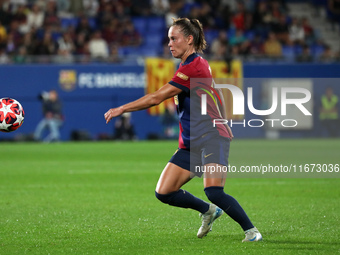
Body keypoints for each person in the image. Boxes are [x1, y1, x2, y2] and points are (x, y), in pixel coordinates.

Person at [104, 18, 262, 242]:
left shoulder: (194, 66)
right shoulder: (189, 65)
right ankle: (208, 211)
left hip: (211, 137)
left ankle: (252, 231)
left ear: (189, 39)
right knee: (164, 191)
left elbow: (156, 97)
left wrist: (122, 108)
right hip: (191, 142)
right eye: (168, 39)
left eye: (173, 38)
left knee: (214, 190)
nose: (169, 43)